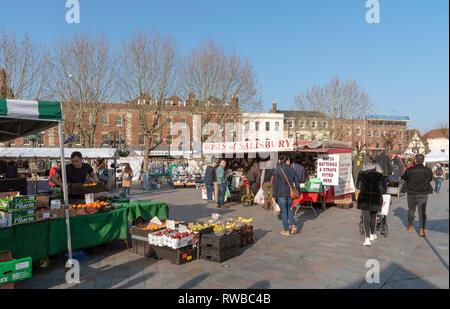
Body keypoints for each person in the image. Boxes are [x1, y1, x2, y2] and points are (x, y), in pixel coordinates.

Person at [356, 160, 387, 246]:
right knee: (374, 217)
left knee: (366, 218)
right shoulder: (380, 176)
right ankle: (372, 234)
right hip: (375, 199)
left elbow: (357, 186)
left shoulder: (361, 174)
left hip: (364, 198)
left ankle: (367, 238)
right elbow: (384, 190)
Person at [402, 154, 433, 237]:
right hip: (423, 193)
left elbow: (404, 178)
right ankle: (421, 230)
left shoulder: (409, 169)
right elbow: (430, 179)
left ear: (415, 160)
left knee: (411, 210)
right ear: (423, 161)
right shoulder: (428, 170)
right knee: (422, 211)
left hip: (411, 193)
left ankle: (410, 226)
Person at [272, 156, 300, 236]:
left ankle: (286, 230)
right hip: (291, 194)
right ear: (287, 161)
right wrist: (298, 193)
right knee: (289, 209)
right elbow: (297, 184)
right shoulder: (292, 170)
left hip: (281, 194)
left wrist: (274, 196)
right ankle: (293, 225)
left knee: (284, 211)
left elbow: (276, 185)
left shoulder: (278, 170)